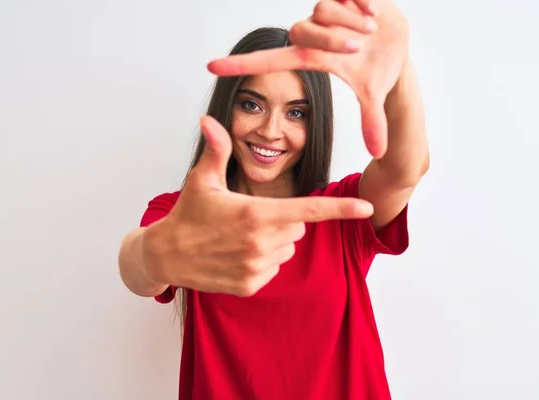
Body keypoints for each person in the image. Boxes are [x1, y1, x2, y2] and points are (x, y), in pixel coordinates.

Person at [118, 0, 429, 399]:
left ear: (316, 124)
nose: (270, 130)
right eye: (251, 104)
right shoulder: (188, 213)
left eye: (296, 113)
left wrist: (398, 66)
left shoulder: (342, 212)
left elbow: (406, 168)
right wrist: (158, 251)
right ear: (225, 106)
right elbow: (137, 270)